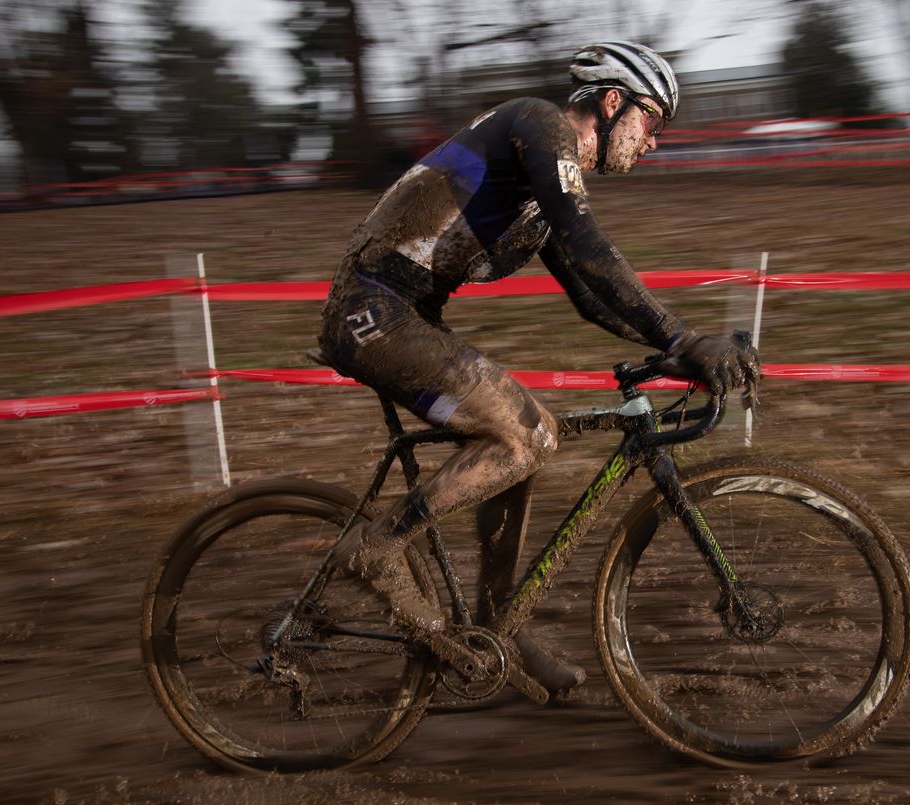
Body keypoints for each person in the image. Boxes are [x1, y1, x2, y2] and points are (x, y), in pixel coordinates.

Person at [317, 40, 759, 694]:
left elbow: (588, 293)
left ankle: (499, 624)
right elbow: (591, 244)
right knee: (529, 434)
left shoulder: (542, 186)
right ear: (612, 103)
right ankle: (379, 548)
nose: (653, 141)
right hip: (373, 314)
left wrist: (676, 353)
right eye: (652, 121)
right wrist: (687, 336)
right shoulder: (540, 124)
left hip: (404, 318)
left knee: (524, 438)